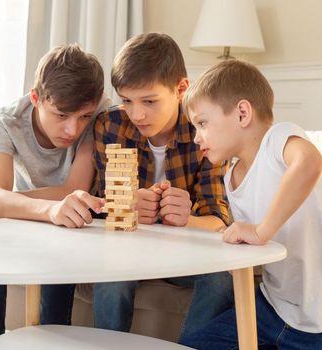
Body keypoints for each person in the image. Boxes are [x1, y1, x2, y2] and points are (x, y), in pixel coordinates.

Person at [179, 59, 322, 349]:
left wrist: (261, 231)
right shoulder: (232, 176)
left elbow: (309, 163)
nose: (196, 137)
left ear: (243, 113)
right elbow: (253, 243)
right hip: (270, 310)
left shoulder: (279, 139)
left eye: (202, 123)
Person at [0, 45, 109, 347]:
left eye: (83, 117)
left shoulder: (100, 113)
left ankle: (54, 337)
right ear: (35, 98)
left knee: (68, 220)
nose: (73, 128)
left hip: (83, 216)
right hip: (30, 214)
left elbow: (73, 191)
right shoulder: (6, 120)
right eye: (61, 114)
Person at [92, 32, 234, 341]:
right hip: (128, 250)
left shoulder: (204, 133)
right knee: (110, 275)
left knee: (221, 280)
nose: (137, 114)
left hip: (184, 252)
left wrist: (187, 221)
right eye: (126, 100)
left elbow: (219, 220)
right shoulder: (111, 125)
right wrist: (125, 206)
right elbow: (102, 205)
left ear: (181, 89)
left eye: (149, 101)